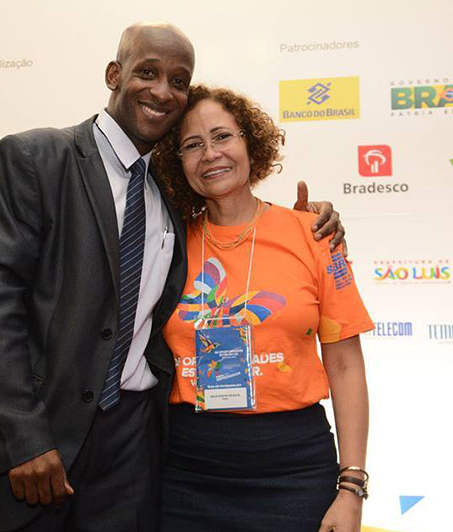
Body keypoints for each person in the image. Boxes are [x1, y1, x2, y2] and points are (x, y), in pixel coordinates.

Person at [0, 23, 344, 532]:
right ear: (113, 75)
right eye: (148, 72)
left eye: (178, 80)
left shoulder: (172, 193)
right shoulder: (34, 159)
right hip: (30, 443)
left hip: (132, 454)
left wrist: (306, 224)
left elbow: (237, 228)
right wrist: (24, 437)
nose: (163, 91)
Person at [153, 85, 372, 532]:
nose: (210, 153)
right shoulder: (166, 244)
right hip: (186, 472)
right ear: (178, 163)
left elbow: (346, 365)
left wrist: (351, 486)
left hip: (294, 469)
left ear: (251, 143)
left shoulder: (314, 234)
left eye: (222, 136)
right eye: (192, 145)